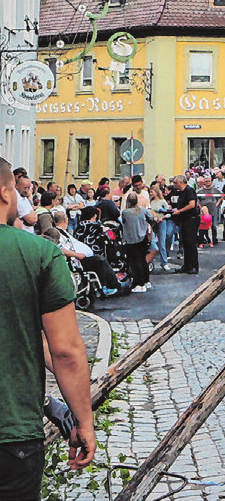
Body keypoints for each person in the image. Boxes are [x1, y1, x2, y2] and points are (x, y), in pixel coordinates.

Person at [0, 157, 95, 496]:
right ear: (5, 193)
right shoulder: (40, 254)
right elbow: (65, 349)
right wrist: (83, 420)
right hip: (11, 432)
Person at [51, 209, 123, 295]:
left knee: (99, 260)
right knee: (100, 260)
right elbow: (60, 248)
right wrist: (77, 255)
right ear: (65, 220)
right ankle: (113, 286)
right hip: (76, 260)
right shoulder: (56, 233)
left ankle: (105, 286)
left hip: (80, 257)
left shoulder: (64, 231)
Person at [121, 192, 155, 293]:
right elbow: (151, 219)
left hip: (131, 239)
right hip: (142, 237)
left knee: (135, 262)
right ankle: (146, 281)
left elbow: (123, 222)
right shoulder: (143, 211)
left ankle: (139, 284)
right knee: (143, 260)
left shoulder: (125, 212)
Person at [166, 174, 200, 274]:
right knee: (185, 243)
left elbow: (192, 204)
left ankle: (194, 266)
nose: (174, 185)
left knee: (191, 243)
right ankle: (187, 265)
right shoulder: (181, 192)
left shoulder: (189, 191)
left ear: (181, 182)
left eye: (175, 183)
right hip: (184, 220)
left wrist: (180, 211)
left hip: (191, 219)